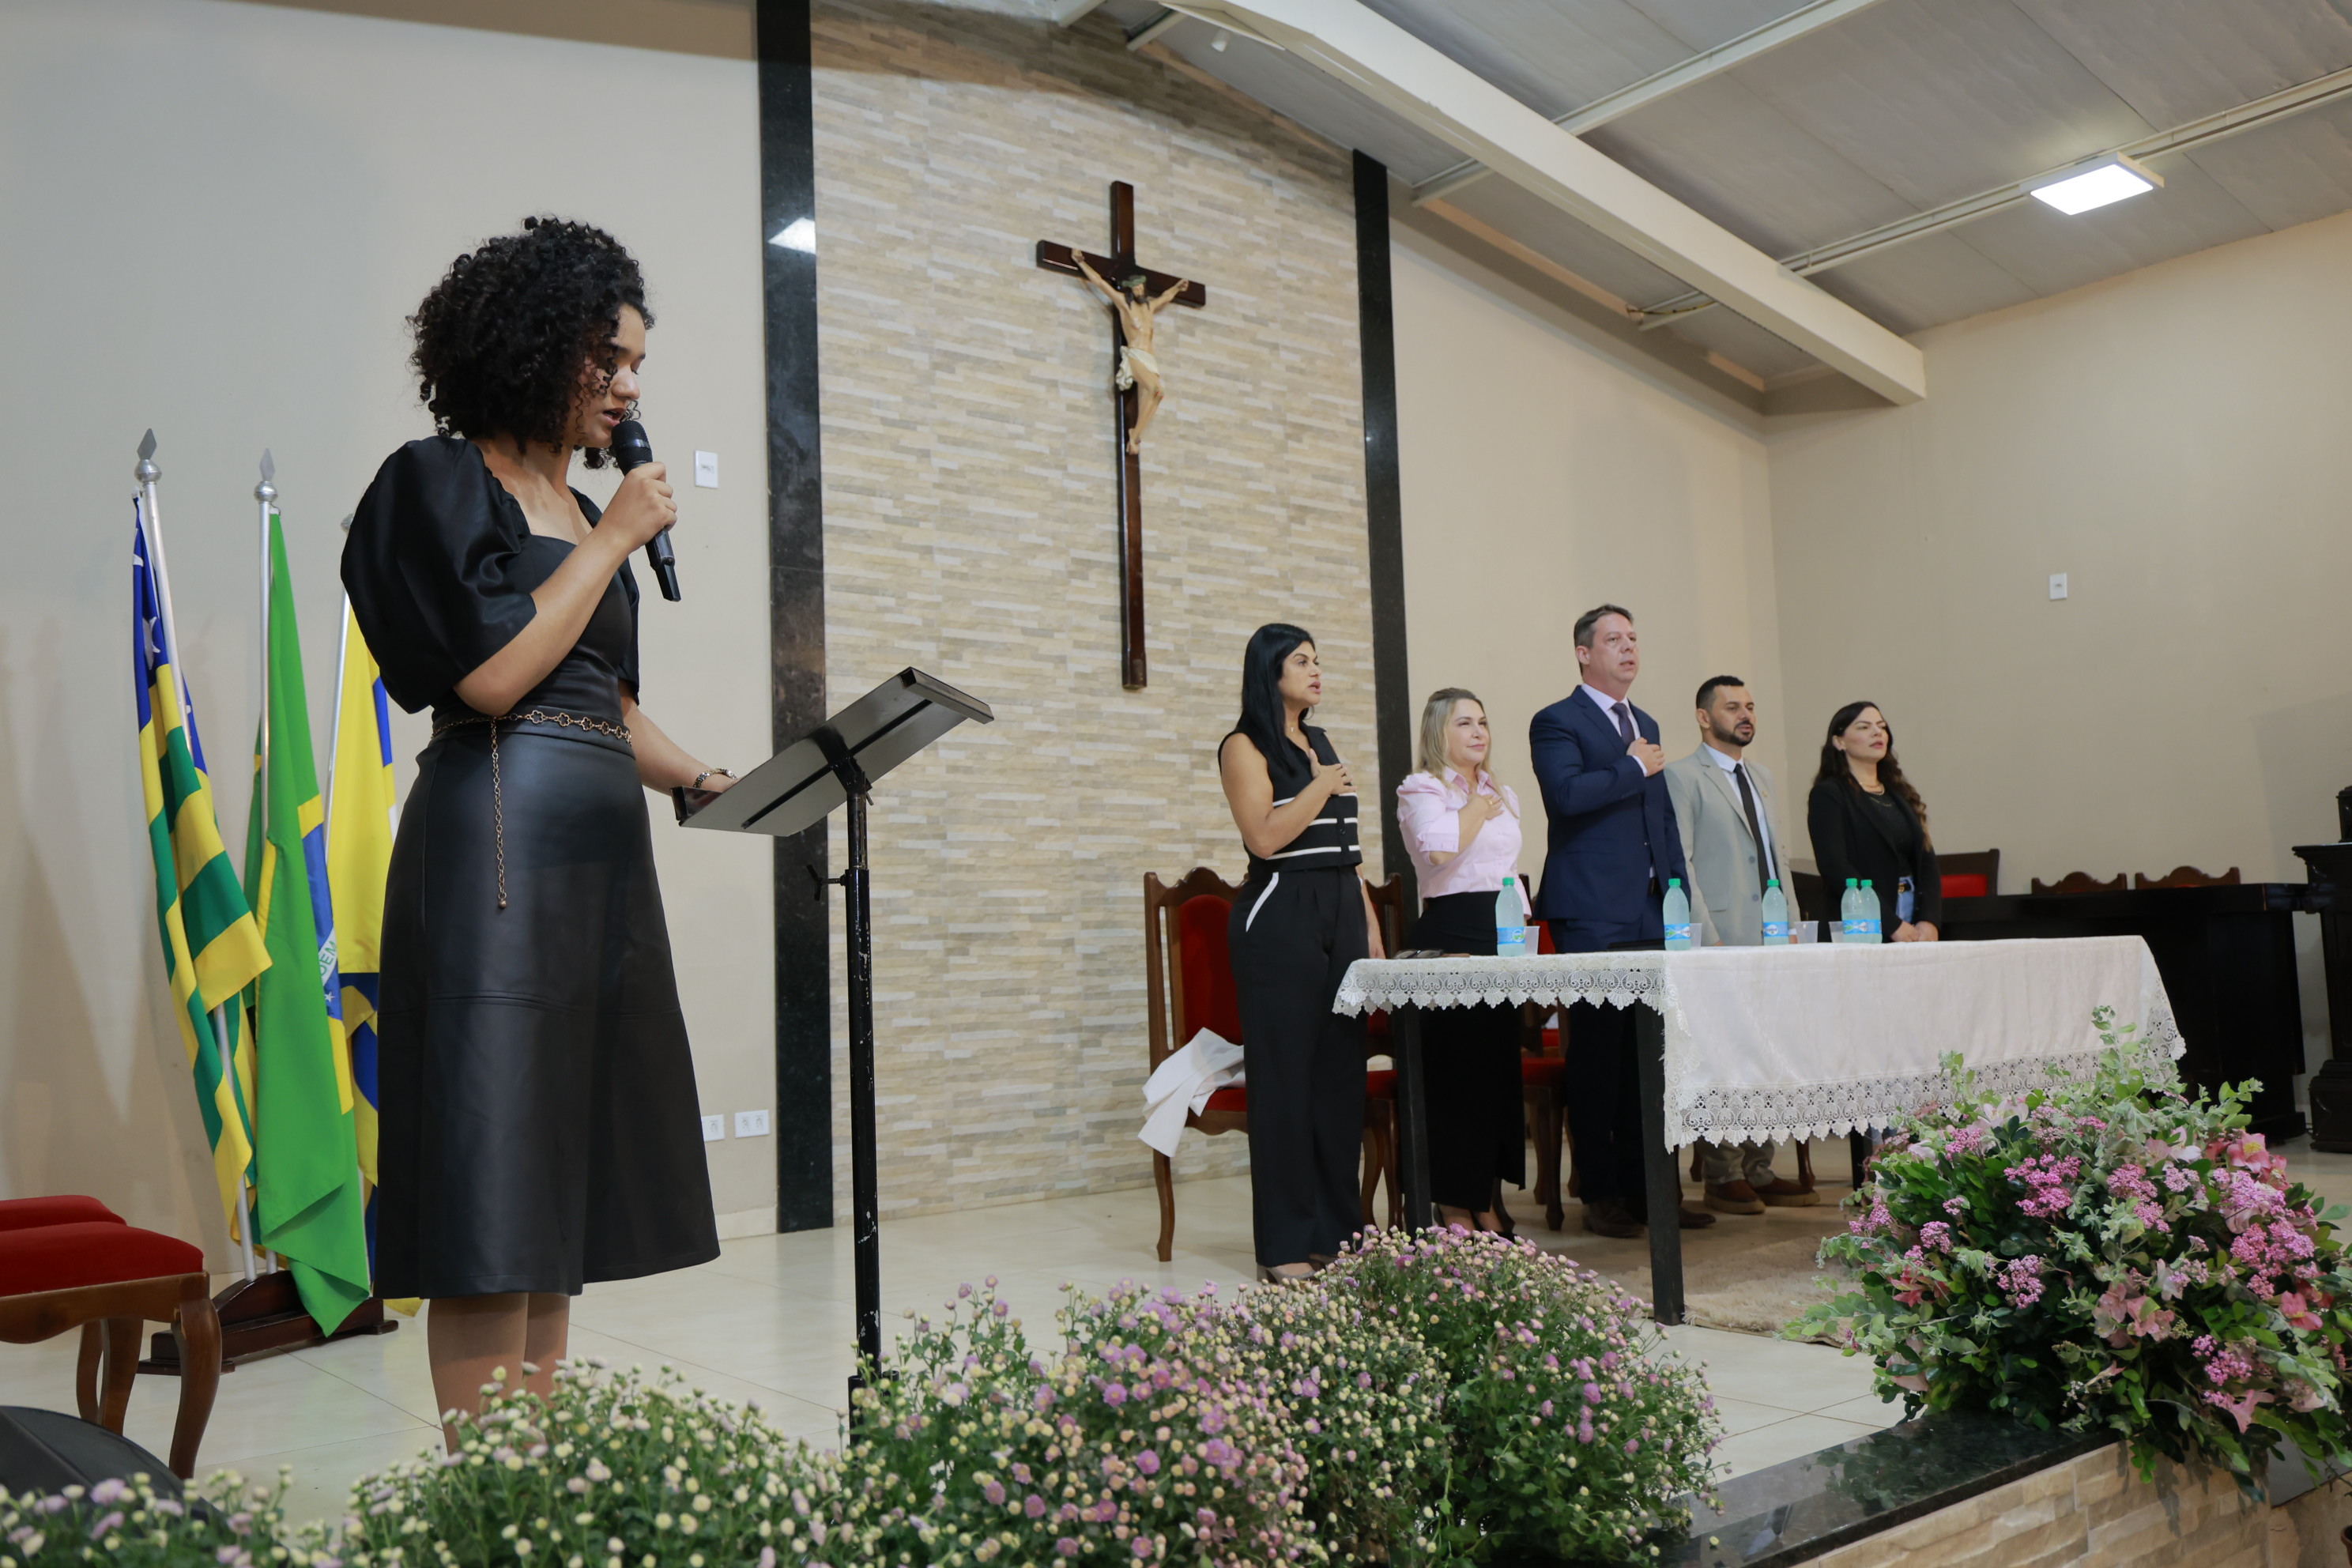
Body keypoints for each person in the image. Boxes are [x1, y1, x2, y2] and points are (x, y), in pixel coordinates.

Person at [343, 217, 734, 1435]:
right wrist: (614, 539)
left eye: (637, 366)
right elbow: (494, 676)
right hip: (495, 858)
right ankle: (489, 1493)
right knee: (491, 1193)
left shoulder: (577, 504)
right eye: (607, 360)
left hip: (597, 869)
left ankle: (542, 1483)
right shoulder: (436, 481)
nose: (628, 388)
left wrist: (703, 778)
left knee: (553, 1193)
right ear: (532, 345)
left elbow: (605, 699)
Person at [1528, 605, 1713, 1239]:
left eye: (1633, 638)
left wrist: (1678, 894)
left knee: (1652, 1056)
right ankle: (1600, 1191)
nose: (1629, 647)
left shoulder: (1647, 722)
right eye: (1614, 639)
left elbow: (1661, 818)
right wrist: (1632, 766)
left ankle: (1651, 1190)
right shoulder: (1557, 720)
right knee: (1600, 1056)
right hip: (1591, 909)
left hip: (1651, 909)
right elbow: (1566, 797)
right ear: (1584, 653)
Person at [1217, 624, 1384, 1281]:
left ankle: (1336, 1232)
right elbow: (1263, 837)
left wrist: (1368, 922)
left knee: (1339, 1078)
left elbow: (1348, 849)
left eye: (1318, 660)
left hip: (1340, 905)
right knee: (1285, 1083)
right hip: (1280, 912)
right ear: (1270, 671)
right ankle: (1284, 1244)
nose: (1316, 671)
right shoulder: (1243, 745)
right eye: (1301, 661)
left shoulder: (1320, 741)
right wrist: (1320, 786)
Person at [1660, 677, 1819, 1216]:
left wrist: (1793, 925)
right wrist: (1707, 936)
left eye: (1750, 706)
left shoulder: (1763, 777)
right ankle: (1722, 1172)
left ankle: (1760, 1167)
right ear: (1704, 717)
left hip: (1772, 935)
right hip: (1722, 936)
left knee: (1766, 1050)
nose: (1745, 714)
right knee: (1723, 1052)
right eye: (1732, 707)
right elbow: (1681, 863)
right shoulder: (1683, 776)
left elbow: (1776, 859)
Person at [1396, 688, 1527, 1234]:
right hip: (1451, 930)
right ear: (1438, 733)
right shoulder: (1421, 789)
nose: (1479, 732)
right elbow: (1438, 849)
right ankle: (1452, 1203)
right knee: (1456, 1074)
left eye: (1483, 722)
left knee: (1496, 1072)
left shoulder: (1502, 792)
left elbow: (1507, 866)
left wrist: (1522, 928)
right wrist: (1472, 807)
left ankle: (1487, 1197)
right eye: (1464, 723)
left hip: (1503, 931)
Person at [1807, 701, 1943, 942]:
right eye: (1864, 727)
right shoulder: (1829, 794)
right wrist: (1889, 923)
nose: (1877, 732)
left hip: (1912, 911)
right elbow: (1835, 866)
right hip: (1862, 921)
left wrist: (1929, 919)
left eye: (1881, 726)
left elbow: (1926, 858)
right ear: (1839, 742)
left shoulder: (1899, 792)